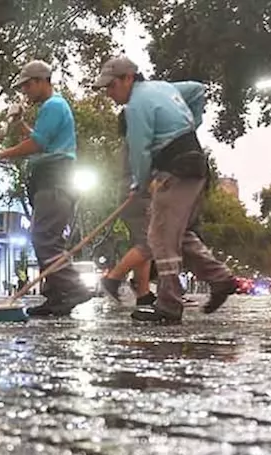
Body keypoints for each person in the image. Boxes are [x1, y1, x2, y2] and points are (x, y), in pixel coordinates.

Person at [94, 56, 236, 323]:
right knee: (176, 233)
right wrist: (192, 123)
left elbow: (140, 151)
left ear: (128, 79)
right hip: (193, 163)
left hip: (175, 168)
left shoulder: (135, 106)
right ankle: (220, 279)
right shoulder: (164, 87)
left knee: (159, 237)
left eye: (111, 86)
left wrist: (139, 183)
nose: (110, 94)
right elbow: (197, 90)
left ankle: (169, 305)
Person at [0, 60, 87, 317]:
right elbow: (42, 139)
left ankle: (72, 286)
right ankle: (57, 297)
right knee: (49, 239)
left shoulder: (54, 105)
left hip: (55, 182)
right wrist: (19, 125)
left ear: (40, 81)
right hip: (52, 182)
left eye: (27, 86)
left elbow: (37, 145)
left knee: (43, 239)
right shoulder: (53, 108)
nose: (25, 91)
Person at [101, 110, 155, 307]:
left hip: (130, 193)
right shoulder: (138, 141)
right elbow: (144, 167)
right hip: (137, 194)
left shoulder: (130, 142)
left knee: (142, 244)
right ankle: (113, 278)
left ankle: (143, 293)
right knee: (150, 244)